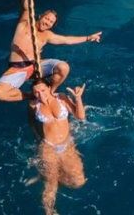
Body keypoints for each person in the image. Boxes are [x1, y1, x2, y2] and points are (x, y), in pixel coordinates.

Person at [0, 0, 102, 102]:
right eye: (47, 18)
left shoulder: (47, 35)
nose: (47, 22)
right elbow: (26, 7)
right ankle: (32, 96)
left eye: (51, 22)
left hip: (37, 66)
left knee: (64, 67)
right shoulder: (25, 23)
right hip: (18, 69)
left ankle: (51, 91)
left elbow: (67, 40)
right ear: (40, 16)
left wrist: (88, 38)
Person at [31, 79, 87, 215]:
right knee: (50, 186)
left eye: (43, 90)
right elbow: (33, 126)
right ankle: (49, 211)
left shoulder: (61, 98)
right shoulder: (33, 105)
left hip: (66, 145)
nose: (40, 94)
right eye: (36, 92)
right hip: (48, 148)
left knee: (79, 182)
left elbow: (80, 116)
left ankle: (52, 175)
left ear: (50, 88)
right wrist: (38, 145)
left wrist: (78, 98)